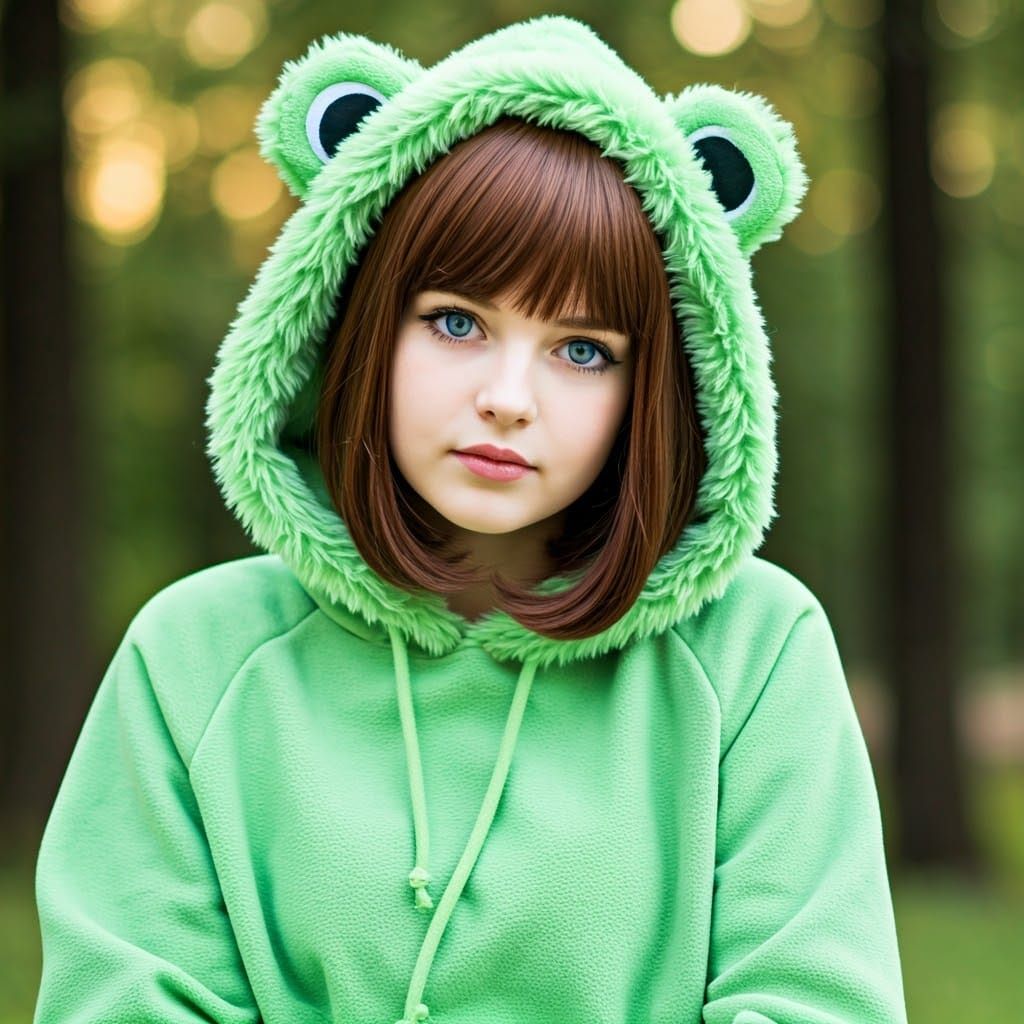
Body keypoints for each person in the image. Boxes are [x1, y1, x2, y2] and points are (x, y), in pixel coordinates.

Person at [32, 15, 909, 1024]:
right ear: (361, 324)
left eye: (581, 350)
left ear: (653, 390)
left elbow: (812, 1002)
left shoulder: (755, 649)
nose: (507, 396)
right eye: (456, 321)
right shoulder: (193, 654)